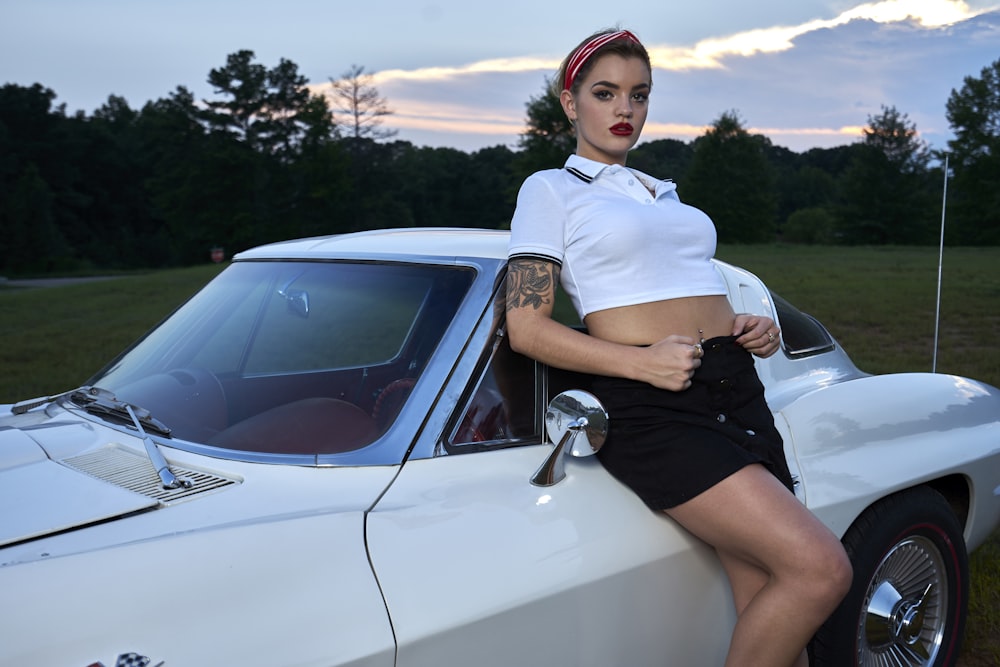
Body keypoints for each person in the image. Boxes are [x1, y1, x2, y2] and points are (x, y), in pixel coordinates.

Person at [505, 28, 852, 667]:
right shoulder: (551, 190)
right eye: (605, 93)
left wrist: (750, 325)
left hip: (735, 384)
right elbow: (526, 328)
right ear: (569, 101)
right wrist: (639, 362)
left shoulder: (662, 192)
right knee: (820, 569)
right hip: (652, 403)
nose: (625, 110)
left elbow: (685, 286)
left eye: (639, 95)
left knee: (769, 599)